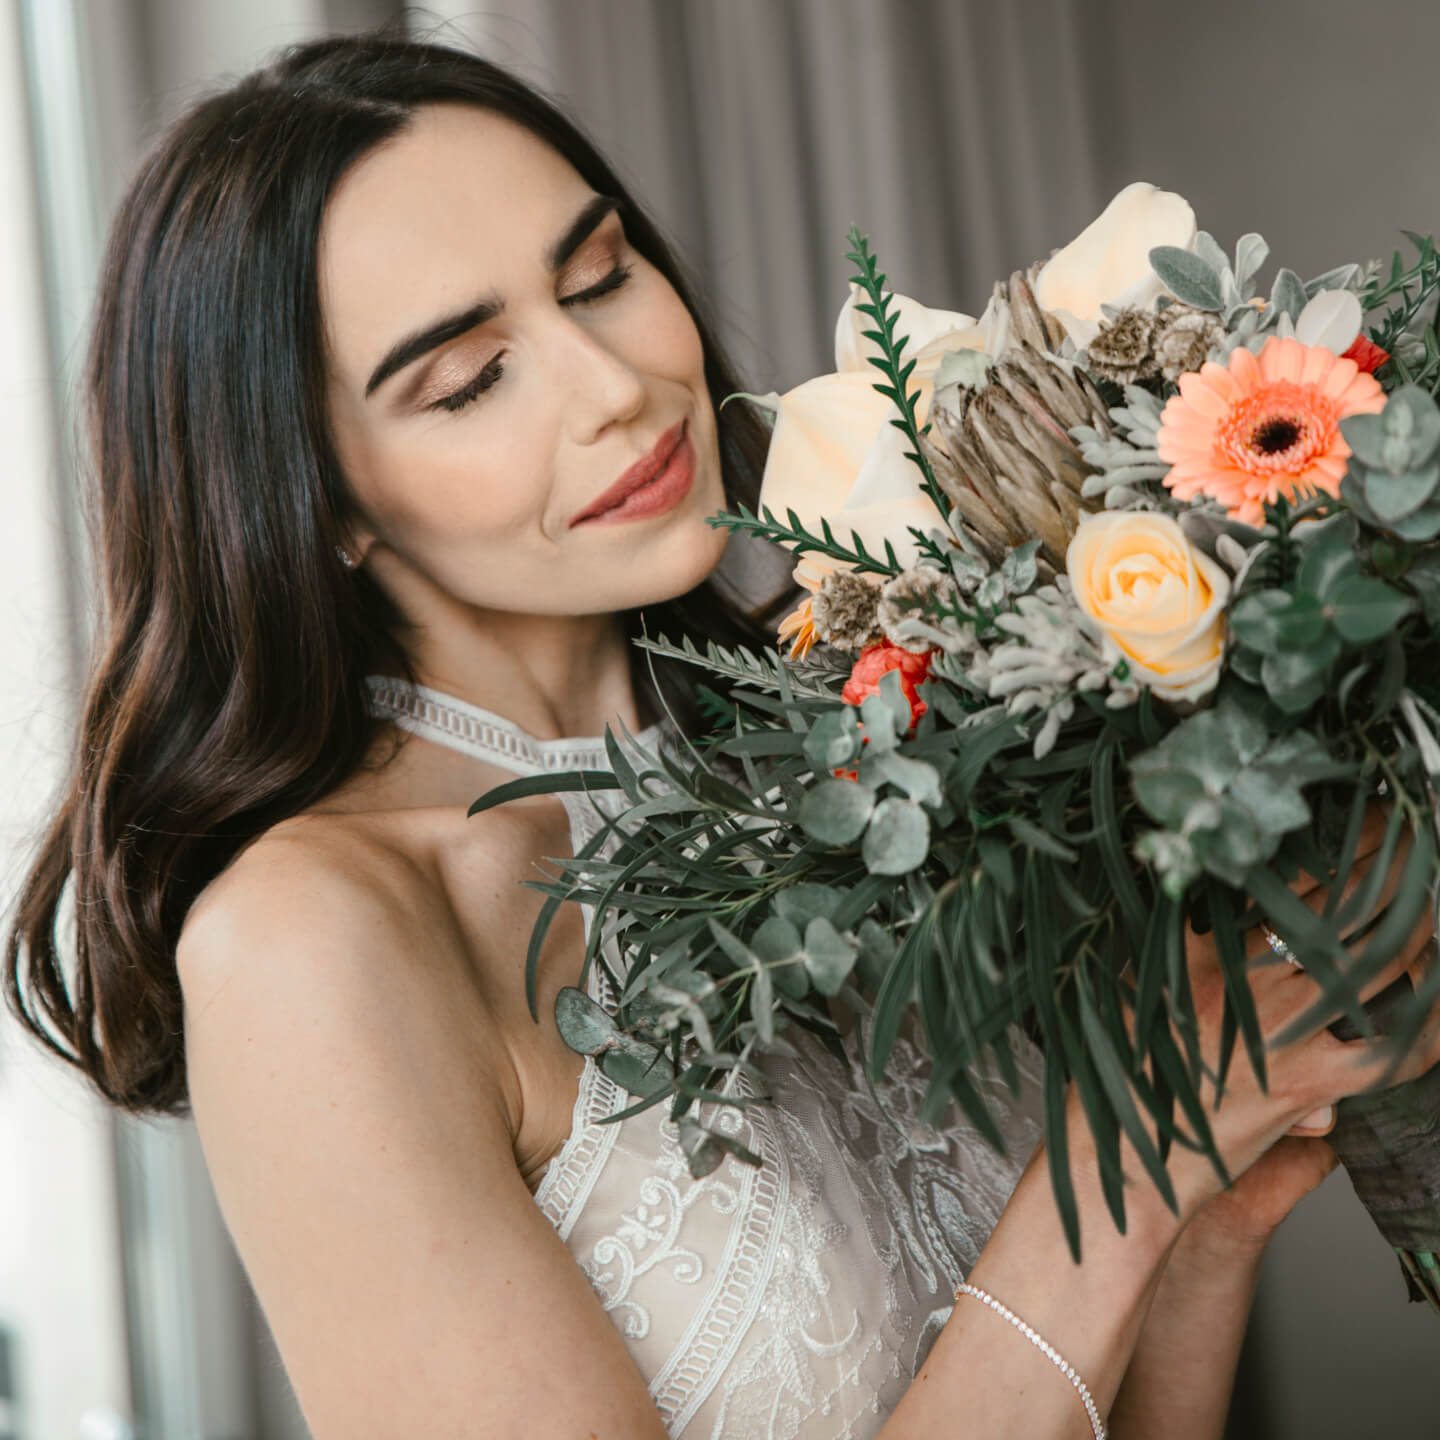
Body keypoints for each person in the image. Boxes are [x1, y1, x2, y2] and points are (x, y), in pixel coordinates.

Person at [5, 28, 1440, 1440]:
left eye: (600, 276)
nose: (613, 385)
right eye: (468, 380)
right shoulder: (314, 940)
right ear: (318, 501)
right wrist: (1123, 1179)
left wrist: (1199, 1203)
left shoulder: (866, 743)